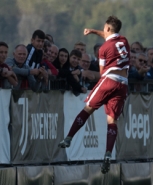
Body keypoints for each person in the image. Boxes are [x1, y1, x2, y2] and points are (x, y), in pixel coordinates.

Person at [58, 15, 130, 174]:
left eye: (104, 28)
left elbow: (102, 72)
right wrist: (92, 31)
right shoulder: (124, 41)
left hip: (109, 80)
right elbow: (109, 35)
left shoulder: (104, 49)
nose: (103, 30)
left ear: (108, 28)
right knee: (112, 120)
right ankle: (108, 153)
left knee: (88, 109)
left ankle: (69, 137)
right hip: (123, 84)